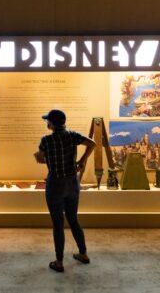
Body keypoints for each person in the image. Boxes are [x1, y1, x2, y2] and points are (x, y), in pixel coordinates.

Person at [34, 109, 96, 273]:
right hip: (71, 182)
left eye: (48, 121)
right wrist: (82, 160)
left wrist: (41, 157)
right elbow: (92, 144)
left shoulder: (46, 140)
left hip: (55, 184)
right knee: (73, 219)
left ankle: (59, 261)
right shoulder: (72, 135)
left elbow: (40, 158)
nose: (47, 123)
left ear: (52, 124)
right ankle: (83, 254)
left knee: (58, 224)